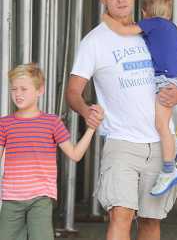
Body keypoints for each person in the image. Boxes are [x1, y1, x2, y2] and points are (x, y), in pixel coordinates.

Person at [66, 0, 177, 240]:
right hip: (121, 142)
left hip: (160, 143)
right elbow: (72, 91)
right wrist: (85, 110)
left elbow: (175, 74)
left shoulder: (154, 31)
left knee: (151, 222)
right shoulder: (93, 42)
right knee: (121, 213)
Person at [0, 63, 103, 240]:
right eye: (14, 89)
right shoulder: (5, 124)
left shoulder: (52, 123)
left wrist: (91, 129)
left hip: (41, 197)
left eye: (24, 89)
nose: (18, 94)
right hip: (10, 198)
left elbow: (75, 154)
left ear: (40, 90)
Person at [102, 0, 177, 196]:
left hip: (165, 79)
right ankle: (175, 142)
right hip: (176, 78)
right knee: (164, 122)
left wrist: (106, 18)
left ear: (144, 13)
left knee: (160, 125)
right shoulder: (171, 27)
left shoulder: (152, 24)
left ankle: (169, 169)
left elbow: (124, 30)